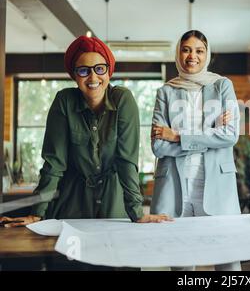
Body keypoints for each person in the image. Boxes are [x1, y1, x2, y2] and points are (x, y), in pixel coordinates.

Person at [1, 36, 171, 227]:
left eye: (100, 68)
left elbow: (126, 161)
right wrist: (37, 213)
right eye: (83, 70)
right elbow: (54, 164)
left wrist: (137, 212)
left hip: (112, 202)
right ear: (75, 75)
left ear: (108, 71)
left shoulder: (123, 99)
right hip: (72, 203)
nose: (93, 78)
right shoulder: (64, 102)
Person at [151, 30, 241, 271]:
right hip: (175, 187)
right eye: (186, 49)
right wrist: (210, 134)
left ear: (207, 54)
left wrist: (178, 136)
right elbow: (159, 146)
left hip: (216, 185)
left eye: (199, 50)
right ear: (178, 53)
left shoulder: (222, 86)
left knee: (227, 260)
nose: (192, 56)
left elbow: (230, 135)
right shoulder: (165, 92)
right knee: (180, 261)